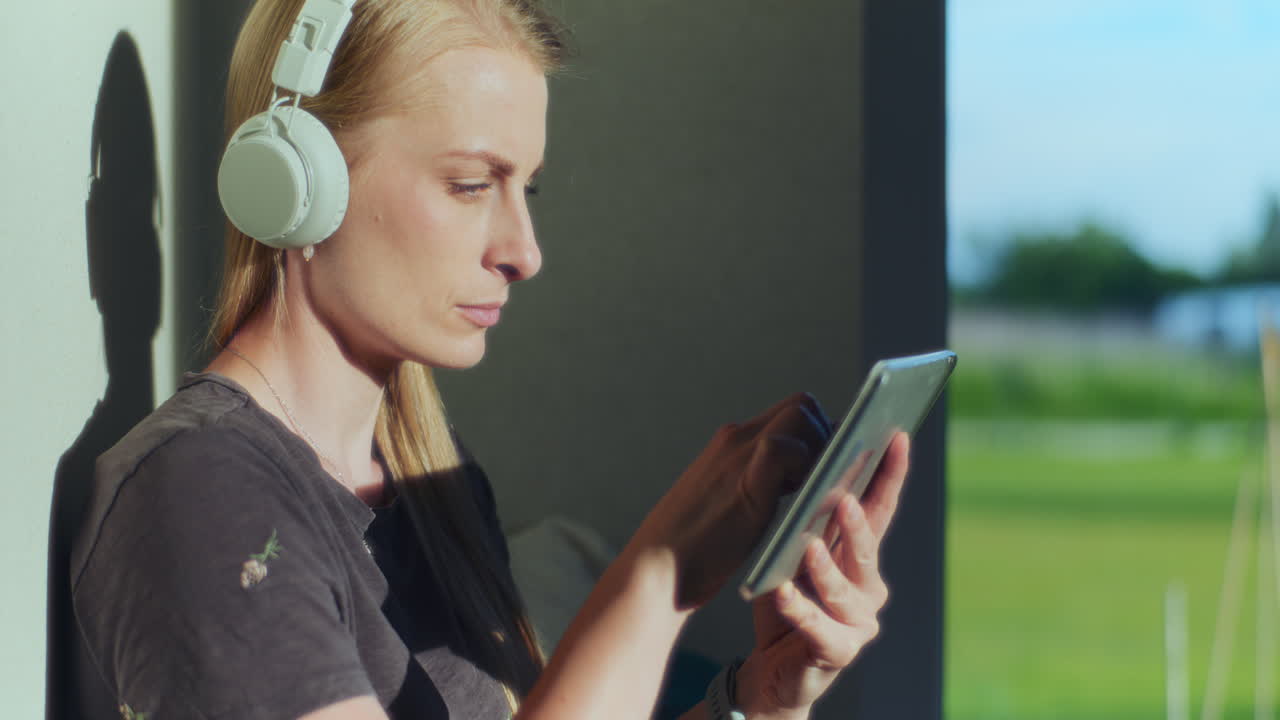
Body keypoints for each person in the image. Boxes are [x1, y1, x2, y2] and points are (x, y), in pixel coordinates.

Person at [67, 0, 911, 718]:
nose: (524, 251)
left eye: (526, 188)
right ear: (296, 178)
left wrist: (755, 696)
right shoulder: (200, 495)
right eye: (474, 185)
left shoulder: (434, 482)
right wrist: (657, 575)